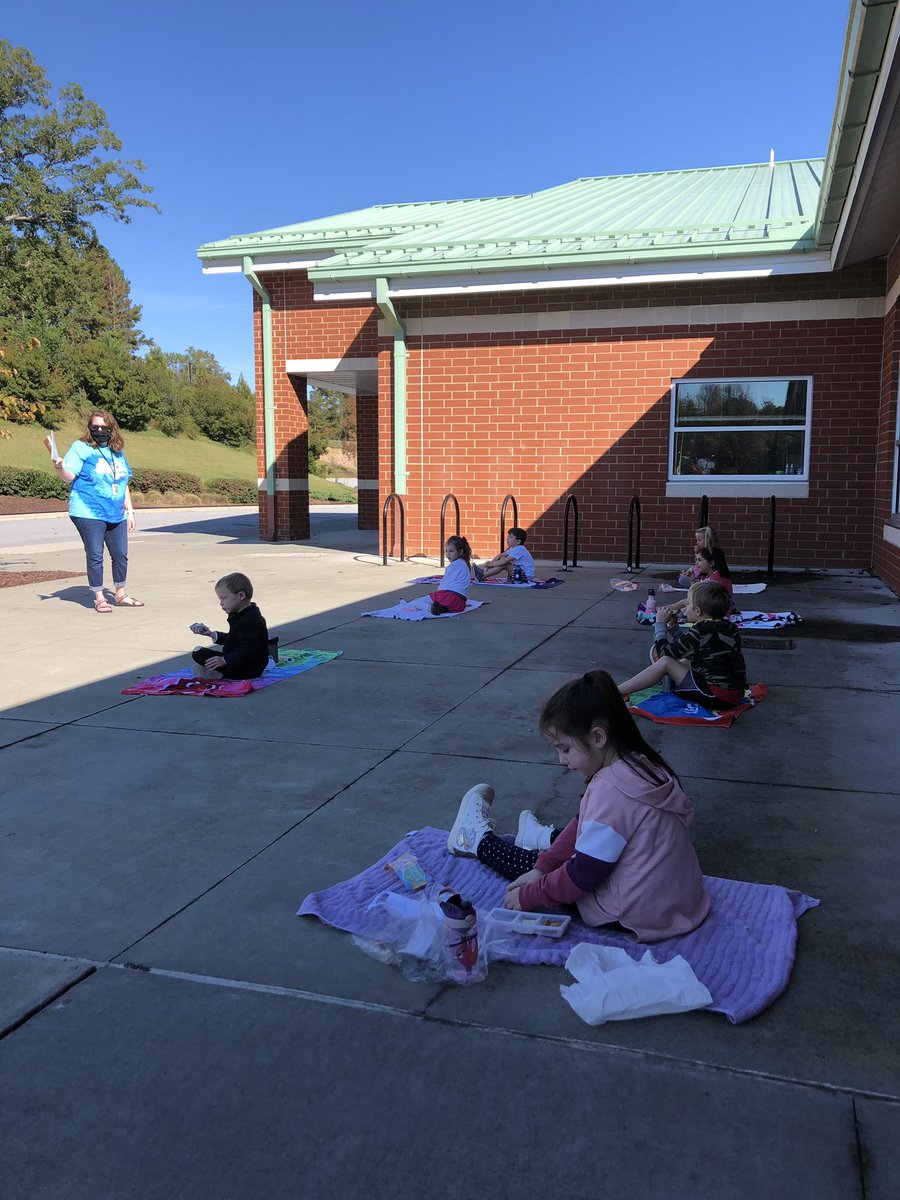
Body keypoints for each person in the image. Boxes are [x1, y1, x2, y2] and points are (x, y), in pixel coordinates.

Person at [446, 670, 710, 942]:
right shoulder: (642, 763)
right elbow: (582, 822)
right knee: (548, 862)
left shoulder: (609, 790)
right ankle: (538, 840)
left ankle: (475, 840)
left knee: (537, 869)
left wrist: (532, 893)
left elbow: (583, 875)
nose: (561, 759)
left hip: (638, 913)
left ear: (598, 737)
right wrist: (544, 866)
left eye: (565, 749)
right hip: (680, 901)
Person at [50, 410, 142, 613]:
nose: (99, 431)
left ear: (112, 429)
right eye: (95, 427)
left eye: (104, 427)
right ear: (89, 428)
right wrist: (59, 467)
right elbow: (69, 476)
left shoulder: (117, 451)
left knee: (120, 554)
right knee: (95, 554)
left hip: (115, 512)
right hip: (87, 511)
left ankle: (120, 594)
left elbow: (123, 481)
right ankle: (99, 597)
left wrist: (131, 510)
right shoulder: (81, 447)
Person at [619, 580, 747, 710]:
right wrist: (674, 627)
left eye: (688, 604)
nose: (684, 608)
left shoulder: (700, 631)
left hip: (716, 697)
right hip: (735, 695)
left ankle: (618, 692)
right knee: (685, 659)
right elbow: (691, 648)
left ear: (697, 611)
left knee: (665, 662)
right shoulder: (730, 627)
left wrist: (660, 624)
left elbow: (664, 653)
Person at [190, 572, 269, 680]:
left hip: (250, 669)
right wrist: (211, 634)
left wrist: (225, 660)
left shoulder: (250, 620)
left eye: (224, 598)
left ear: (241, 595)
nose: (221, 603)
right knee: (199, 652)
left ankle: (222, 674)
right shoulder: (241, 614)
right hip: (242, 662)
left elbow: (249, 651)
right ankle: (218, 670)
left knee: (199, 653)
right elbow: (234, 639)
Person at [671, 547, 735, 615]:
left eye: (699, 560)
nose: (696, 563)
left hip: (715, 613)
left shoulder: (715, 579)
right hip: (709, 609)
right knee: (685, 602)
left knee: (689, 606)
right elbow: (695, 596)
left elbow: (695, 599)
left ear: (711, 563)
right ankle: (664, 610)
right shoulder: (708, 575)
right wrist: (692, 580)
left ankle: (670, 613)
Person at [428, 536, 475, 614]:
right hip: (460, 604)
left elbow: (444, 584)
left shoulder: (455, 565)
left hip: (448, 597)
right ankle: (443, 609)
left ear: (460, 552)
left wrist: (437, 594)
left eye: (451, 551)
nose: (448, 554)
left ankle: (431, 608)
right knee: (446, 605)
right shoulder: (465, 563)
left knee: (419, 602)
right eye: (446, 551)